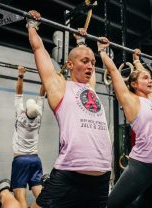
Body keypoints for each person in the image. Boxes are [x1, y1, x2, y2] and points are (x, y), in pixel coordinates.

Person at [27, 10, 112, 208]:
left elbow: (88, 64)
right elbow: (39, 49)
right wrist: (32, 26)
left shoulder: (90, 88)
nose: (91, 65)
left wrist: (82, 42)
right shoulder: (59, 87)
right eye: (85, 61)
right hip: (70, 174)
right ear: (70, 64)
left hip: (101, 178)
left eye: (93, 62)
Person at [97, 38, 152, 208]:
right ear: (134, 84)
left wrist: (137, 61)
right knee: (112, 205)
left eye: (150, 78)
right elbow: (114, 72)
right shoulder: (131, 101)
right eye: (146, 79)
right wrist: (103, 51)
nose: (150, 80)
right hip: (143, 166)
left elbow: (142, 75)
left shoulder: (151, 100)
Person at [0, 66, 45, 208]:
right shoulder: (39, 116)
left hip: (20, 160)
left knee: (19, 197)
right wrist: (45, 78)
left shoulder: (20, 115)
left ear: (26, 110)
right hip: (35, 159)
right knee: (41, 196)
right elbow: (42, 95)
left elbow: (19, 92)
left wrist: (21, 75)